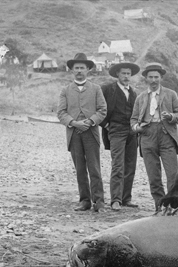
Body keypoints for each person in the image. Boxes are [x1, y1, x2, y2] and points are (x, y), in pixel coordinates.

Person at [131, 63, 178, 210]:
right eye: (150, 77)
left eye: (156, 77)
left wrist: (171, 116)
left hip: (166, 135)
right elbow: (133, 119)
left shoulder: (171, 94)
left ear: (161, 78)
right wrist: (137, 127)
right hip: (147, 136)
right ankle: (159, 206)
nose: (153, 80)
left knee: (173, 175)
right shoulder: (141, 97)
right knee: (153, 176)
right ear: (146, 79)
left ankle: (173, 206)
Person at [57, 53, 107, 212]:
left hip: (91, 133)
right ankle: (84, 201)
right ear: (72, 70)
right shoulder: (65, 90)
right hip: (74, 134)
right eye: (76, 68)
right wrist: (74, 123)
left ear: (88, 70)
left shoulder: (96, 89)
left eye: (82, 68)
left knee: (94, 168)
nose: (79, 71)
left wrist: (90, 121)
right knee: (79, 168)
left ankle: (99, 202)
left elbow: (102, 110)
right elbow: (61, 112)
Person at [99, 62, 140, 211]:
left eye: (129, 74)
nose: (126, 76)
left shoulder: (133, 92)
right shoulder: (108, 90)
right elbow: (99, 108)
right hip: (115, 130)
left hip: (132, 132)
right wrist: (106, 125)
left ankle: (126, 198)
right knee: (118, 165)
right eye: (123, 73)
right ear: (118, 74)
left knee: (131, 165)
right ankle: (115, 200)